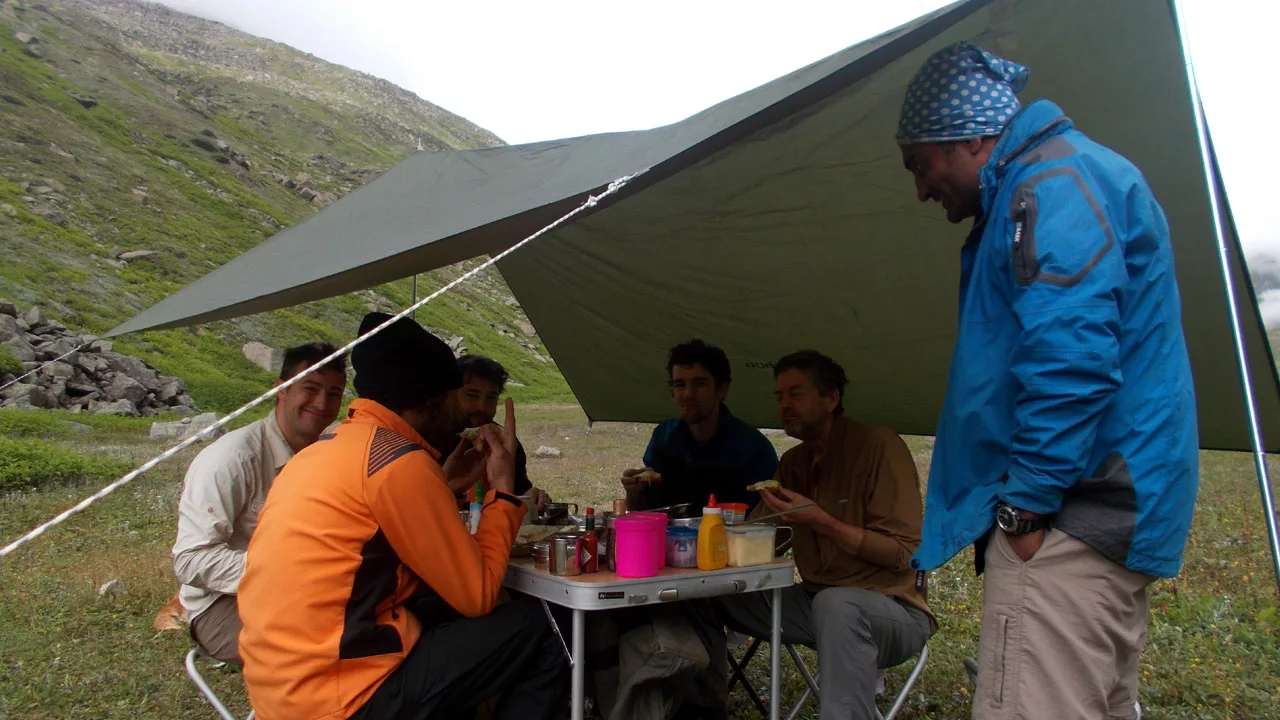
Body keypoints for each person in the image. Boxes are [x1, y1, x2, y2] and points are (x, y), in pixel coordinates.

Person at [896, 41, 1198, 720]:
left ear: (973, 136)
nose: (920, 187)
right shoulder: (1081, 175)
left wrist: (1026, 506)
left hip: (1071, 518)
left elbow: (1072, 358)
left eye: (921, 162)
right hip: (1110, 510)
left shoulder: (1048, 188)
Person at [237, 313, 568, 720]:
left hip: (280, 686)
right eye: (453, 398)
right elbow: (477, 594)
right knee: (543, 627)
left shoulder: (326, 451)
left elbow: (372, 535)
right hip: (341, 695)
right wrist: (502, 493)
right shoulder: (398, 463)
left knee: (440, 616)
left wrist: (445, 488)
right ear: (431, 402)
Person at [718, 350, 934, 720]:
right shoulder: (793, 463)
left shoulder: (879, 447)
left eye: (796, 394)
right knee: (709, 593)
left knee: (838, 606)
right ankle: (696, 703)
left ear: (831, 398)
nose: (784, 405)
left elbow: (905, 554)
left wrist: (821, 521)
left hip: (892, 607)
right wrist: (759, 523)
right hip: (814, 601)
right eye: (779, 396)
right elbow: (763, 544)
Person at [171, 342, 347, 664]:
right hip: (223, 604)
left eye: (334, 394)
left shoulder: (327, 455)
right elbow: (189, 559)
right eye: (311, 388)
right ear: (281, 390)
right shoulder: (231, 459)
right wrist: (283, 573)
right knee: (327, 648)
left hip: (301, 592)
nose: (322, 403)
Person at [620, 339, 778, 513]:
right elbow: (644, 511)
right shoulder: (664, 437)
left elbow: (763, 521)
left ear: (721, 390)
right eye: (680, 385)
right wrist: (634, 493)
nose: (688, 394)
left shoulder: (754, 448)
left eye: (700, 384)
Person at [448, 354, 551, 510]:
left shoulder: (504, 445)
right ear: (450, 395)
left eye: (490, 398)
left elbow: (516, 496)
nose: (481, 407)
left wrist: (533, 498)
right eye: (471, 396)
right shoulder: (431, 441)